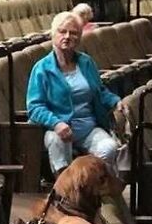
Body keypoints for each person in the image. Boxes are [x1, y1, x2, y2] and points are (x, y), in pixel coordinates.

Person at [26, 11, 122, 176]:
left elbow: (100, 91)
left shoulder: (86, 62)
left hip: (88, 128)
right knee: (57, 142)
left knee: (109, 147)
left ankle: (89, 185)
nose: (67, 36)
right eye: (62, 31)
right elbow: (34, 107)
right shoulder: (42, 68)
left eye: (74, 33)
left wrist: (115, 101)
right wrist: (56, 123)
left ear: (80, 37)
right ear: (53, 35)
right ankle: (65, 190)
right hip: (57, 129)